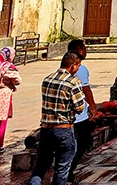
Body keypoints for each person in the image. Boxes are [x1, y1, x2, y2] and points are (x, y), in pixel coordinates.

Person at [29, 53, 87, 185]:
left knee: (41, 166)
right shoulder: (73, 82)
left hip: (45, 129)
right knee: (62, 168)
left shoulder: (48, 79)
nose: (78, 69)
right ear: (73, 65)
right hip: (63, 130)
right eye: (78, 66)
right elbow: (79, 107)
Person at [67, 40, 98, 182]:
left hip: (64, 116)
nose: (86, 51)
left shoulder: (62, 67)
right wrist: (92, 107)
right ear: (79, 50)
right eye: (84, 48)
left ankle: (67, 172)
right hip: (79, 115)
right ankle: (68, 171)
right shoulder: (81, 69)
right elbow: (86, 90)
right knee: (82, 143)